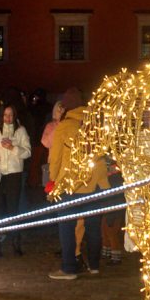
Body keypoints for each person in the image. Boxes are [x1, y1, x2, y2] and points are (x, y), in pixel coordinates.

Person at [48, 87, 109, 280]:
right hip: (94, 183)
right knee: (93, 226)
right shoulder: (95, 124)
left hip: (70, 184)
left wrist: (52, 180)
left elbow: (55, 158)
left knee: (66, 227)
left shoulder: (64, 126)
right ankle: (94, 266)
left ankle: (69, 268)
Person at [0, 103, 31, 256]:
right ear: (1, 115)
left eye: (11, 115)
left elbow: (27, 152)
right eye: (6, 115)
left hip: (14, 174)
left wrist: (13, 148)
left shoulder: (20, 130)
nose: (8, 118)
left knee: (13, 208)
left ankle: (15, 241)